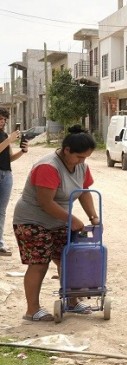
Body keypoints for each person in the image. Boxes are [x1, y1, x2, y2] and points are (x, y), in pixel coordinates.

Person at [12, 125, 98, 322]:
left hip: (58, 219)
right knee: (39, 263)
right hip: (32, 220)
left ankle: (72, 302)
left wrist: (94, 217)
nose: (82, 161)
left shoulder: (81, 166)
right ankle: (32, 310)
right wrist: (72, 219)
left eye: (85, 158)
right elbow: (45, 202)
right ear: (66, 150)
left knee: (69, 259)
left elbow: (83, 192)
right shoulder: (48, 166)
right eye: (79, 157)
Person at [0, 108, 28, 256]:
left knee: (1, 211)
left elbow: (9, 158)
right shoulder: (6, 138)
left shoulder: (4, 135)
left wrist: (22, 152)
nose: (2, 122)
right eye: (0, 119)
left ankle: (0, 244)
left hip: (6, 174)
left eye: (4, 119)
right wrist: (9, 140)